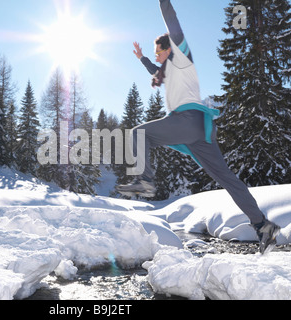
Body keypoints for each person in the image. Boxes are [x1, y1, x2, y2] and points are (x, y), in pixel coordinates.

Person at [116, 0, 280, 254]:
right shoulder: (172, 69)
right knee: (227, 179)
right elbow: (156, 69)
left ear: (171, 49)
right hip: (199, 131)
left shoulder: (181, 56)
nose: (158, 56)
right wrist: (143, 59)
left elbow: (173, 23)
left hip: (187, 121)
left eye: (159, 51)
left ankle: (145, 180)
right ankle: (263, 226)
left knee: (139, 133)